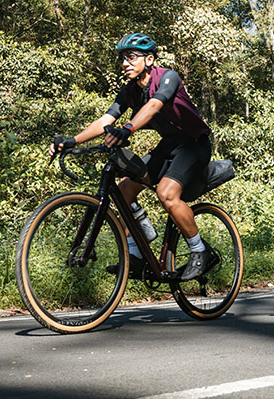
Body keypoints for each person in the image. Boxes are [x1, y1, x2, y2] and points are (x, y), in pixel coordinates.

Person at [50, 32, 216, 280]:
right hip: (169, 145)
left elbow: (154, 106)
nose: (125, 63)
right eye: (122, 58)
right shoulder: (129, 91)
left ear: (149, 59)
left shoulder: (167, 77)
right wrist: (71, 141)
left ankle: (200, 251)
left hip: (194, 145)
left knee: (166, 193)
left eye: (131, 57)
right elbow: (105, 121)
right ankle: (137, 253)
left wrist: (128, 129)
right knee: (125, 189)